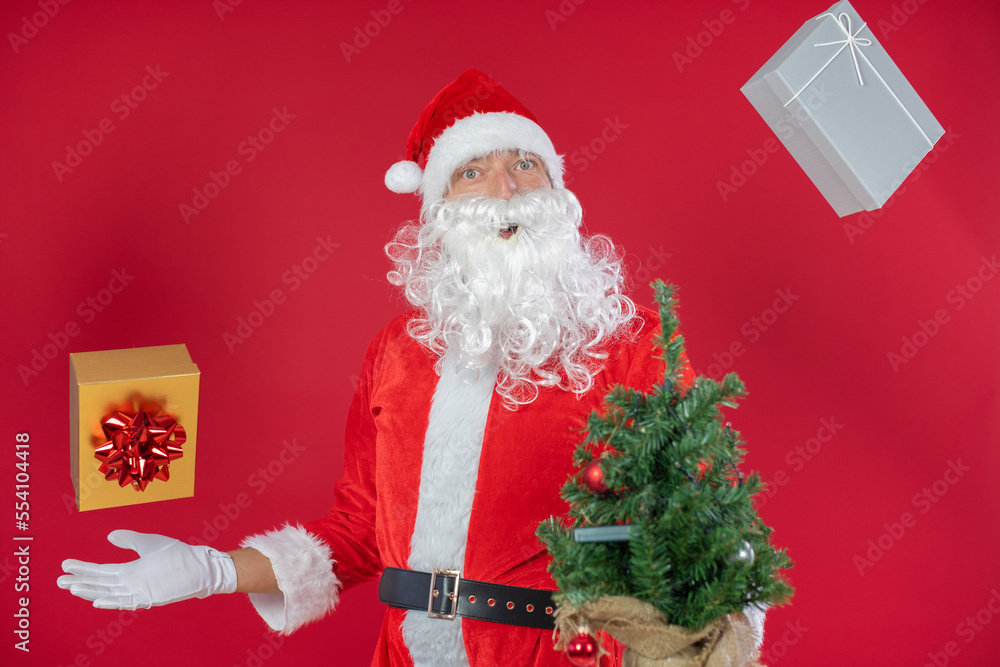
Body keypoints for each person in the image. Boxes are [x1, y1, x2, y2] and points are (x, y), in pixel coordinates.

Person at [58, 69, 762, 666]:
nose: (505, 188)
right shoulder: (397, 352)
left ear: (558, 191)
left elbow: (698, 519)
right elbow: (361, 531)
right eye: (472, 170)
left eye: (525, 163)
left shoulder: (625, 340)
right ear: (436, 211)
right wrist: (212, 570)